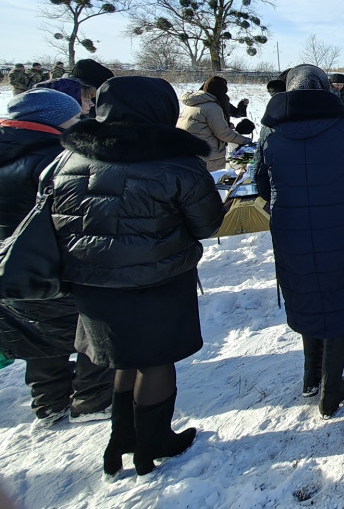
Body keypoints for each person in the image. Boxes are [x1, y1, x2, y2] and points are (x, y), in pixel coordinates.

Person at [52, 76, 224, 476]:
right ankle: (153, 443)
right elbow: (207, 224)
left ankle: (121, 440)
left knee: (124, 358)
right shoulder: (176, 161)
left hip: (93, 281)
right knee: (155, 361)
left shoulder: (71, 158)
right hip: (156, 278)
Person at [253, 65, 344, 418]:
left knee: (307, 293)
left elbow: (261, 186)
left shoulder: (270, 133)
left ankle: (312, 378)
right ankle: (330, 388)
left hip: (291, 230)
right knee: (338, 298)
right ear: (328, 91)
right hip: (343, 228)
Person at [0, 90, 112, 427]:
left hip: (10, 261)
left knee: (34, 328)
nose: (82, 121)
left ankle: (48, 400)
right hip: (58, 257)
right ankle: (92, 397)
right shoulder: (57, 158)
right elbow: (81, 211)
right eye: (75, 117)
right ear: (53, 120)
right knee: (86, 324)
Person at [177, 76, 251, 171]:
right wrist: (245, 141)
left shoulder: (192, 104)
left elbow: (202, 125)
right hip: (207, 155)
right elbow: (223, 133)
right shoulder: (212, 107)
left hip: (187, 153)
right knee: (213, 182)